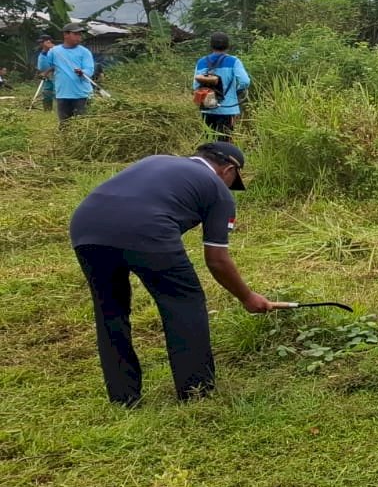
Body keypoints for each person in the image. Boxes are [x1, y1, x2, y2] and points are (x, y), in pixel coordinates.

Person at [69, 141, 287, 406]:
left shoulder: (155, 160)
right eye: (233, 180)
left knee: (110, 311)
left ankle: (123, 397)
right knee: (184, 304)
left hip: (86, 228)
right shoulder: (218, 190)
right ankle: (196, 392)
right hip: (148, 232)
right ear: (228, 169)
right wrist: (247, 297)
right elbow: (217, 260)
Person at [193, 32, 251, 140]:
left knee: (209, 140)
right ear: (227, 46)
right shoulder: (234, 61)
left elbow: (195, 85)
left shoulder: (201, 62)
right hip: (227, 110)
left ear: (211, 45)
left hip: (207, 108)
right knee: (225, 141)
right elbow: (245, 81)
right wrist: (236, 91)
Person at [46, 22, 95, 122]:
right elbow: (45, 66)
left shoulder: (84, 52)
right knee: (65, 125)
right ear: (66, 34)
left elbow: (89, 70)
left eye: (80, 34)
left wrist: (83, 72)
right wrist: (44, 50)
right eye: (76, 34)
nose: (79, 37)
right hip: (63, 94)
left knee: (82, 124)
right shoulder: (55, 51)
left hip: (82, 95)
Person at [35, 34, 55, 110]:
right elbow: (41, 66)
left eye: (42, 42)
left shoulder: (55, 51)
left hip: (56, 76)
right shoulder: (42, 53)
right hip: (47, 77)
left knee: (58, 93)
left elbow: (57, 64)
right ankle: (47, 111)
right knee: (46, 93)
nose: (40, 44)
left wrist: (46, 72)